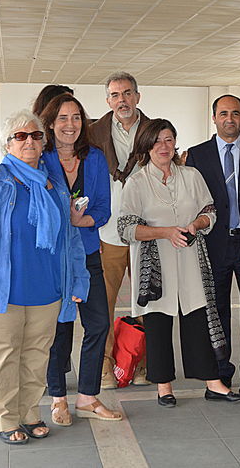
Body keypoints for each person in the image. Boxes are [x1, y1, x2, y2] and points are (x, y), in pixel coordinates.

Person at [0, 94, 120, 425]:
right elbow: (10, 175)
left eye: (76, 117)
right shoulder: (41, 157)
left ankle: (88, 396)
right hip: (52, 258)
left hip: (84, 252)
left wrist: (80, 220)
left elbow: (103, 208)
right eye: (62, 118)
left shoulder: (95, 157)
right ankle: (57, 399)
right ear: (50, 124)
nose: (70, 124)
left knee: (98, 323)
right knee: (56, 332)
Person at [0, 111, 89, 444]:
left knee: (36, 357)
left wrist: (78, 279)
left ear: (43, 142)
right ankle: (4, 419)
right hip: (0, 289)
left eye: (36, 135)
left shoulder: (53, 184)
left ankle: (29, 413)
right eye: (20, 136)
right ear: (7, 143)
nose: (29, 141)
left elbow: (69, 237)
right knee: (3, 357)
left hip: (46, 287)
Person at [118, 118, 240, 407]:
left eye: (168, 140)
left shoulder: (191, 175)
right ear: (146, 146)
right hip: (154, 265)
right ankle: (164, 386)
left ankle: (213, 382)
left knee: (198, 318)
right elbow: (126, 228)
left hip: (190, 258)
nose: (163, 146)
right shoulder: (136, 182)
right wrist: (165, 232)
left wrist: (196, 225)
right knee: (158, 323)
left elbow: (210, 211)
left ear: (175, 143)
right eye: (157, 141)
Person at [185, 95, 240, 395]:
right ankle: (221, 372)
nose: (229, 119)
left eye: (235, 113)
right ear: (214, 118)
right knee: (216, 311)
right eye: (223, 113)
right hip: (213, 244)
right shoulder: (197, 155)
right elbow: (191, 200)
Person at [88, 71, 152, 389]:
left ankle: (141, 364)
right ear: (108, 100)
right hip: (107, 232)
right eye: (115, 95)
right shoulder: (93, 133)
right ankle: (104, 366)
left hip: (146, 232)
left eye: (127, 93)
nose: (122, 100)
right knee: (103, 304)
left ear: (137, 97)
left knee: (147, 302)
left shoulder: (154, 131)